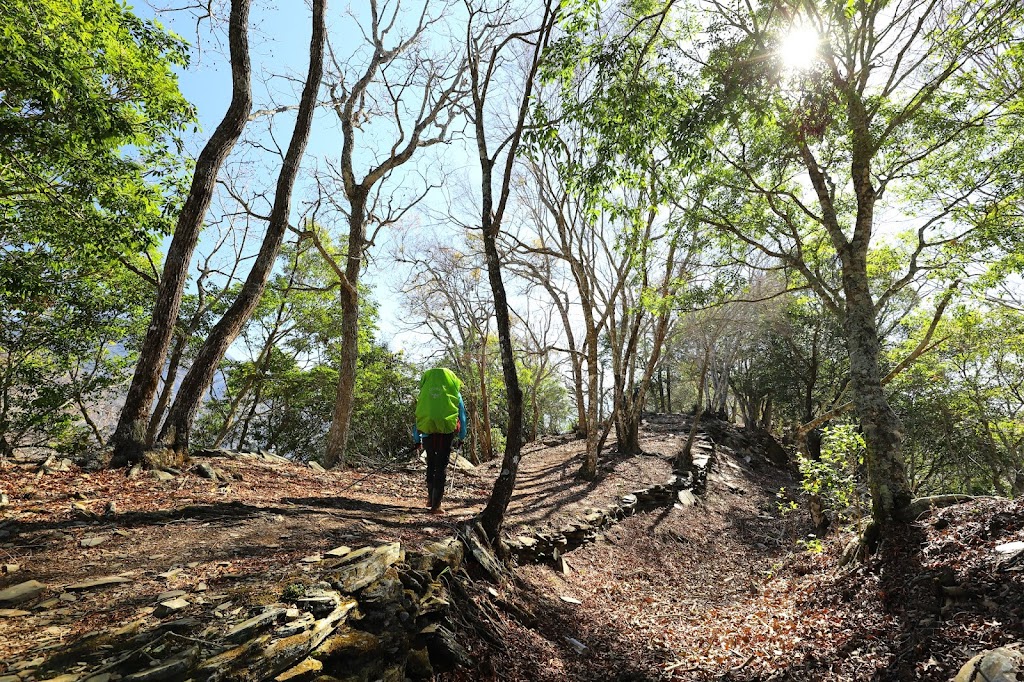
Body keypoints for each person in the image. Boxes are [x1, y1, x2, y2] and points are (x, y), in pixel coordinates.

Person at [413, 367, 468, 514]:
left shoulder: (425, 393)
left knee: (431, 463)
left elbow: (418, 415)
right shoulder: (454, 393)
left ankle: (431, 498)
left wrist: (416, 438)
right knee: (441, 465)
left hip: (427, 434)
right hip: (446, 433)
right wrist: (462, 436)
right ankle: (436, 505)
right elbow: (462, 416)